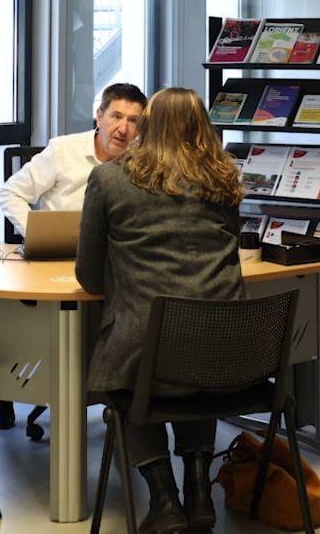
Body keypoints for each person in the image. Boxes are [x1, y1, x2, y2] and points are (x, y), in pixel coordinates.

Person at [76, 86, 245, 534]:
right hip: (228, 348)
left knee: (130, 376)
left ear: (145, 126)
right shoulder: (224, 179)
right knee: (194, 362)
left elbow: (89, 277)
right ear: (202, 129)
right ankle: (200, 492)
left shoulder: (110, 179)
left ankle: (164, 499)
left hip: (144, 348)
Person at [0, 81, 145, 430]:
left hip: (111, 263)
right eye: (116, 116)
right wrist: (37, 231)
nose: (124, 128)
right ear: (98, 116)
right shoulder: (63, 151)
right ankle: (4, 390)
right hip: (55, 260)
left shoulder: (142, 161)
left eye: (134, 121)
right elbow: (10, 192)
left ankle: (109, 385)